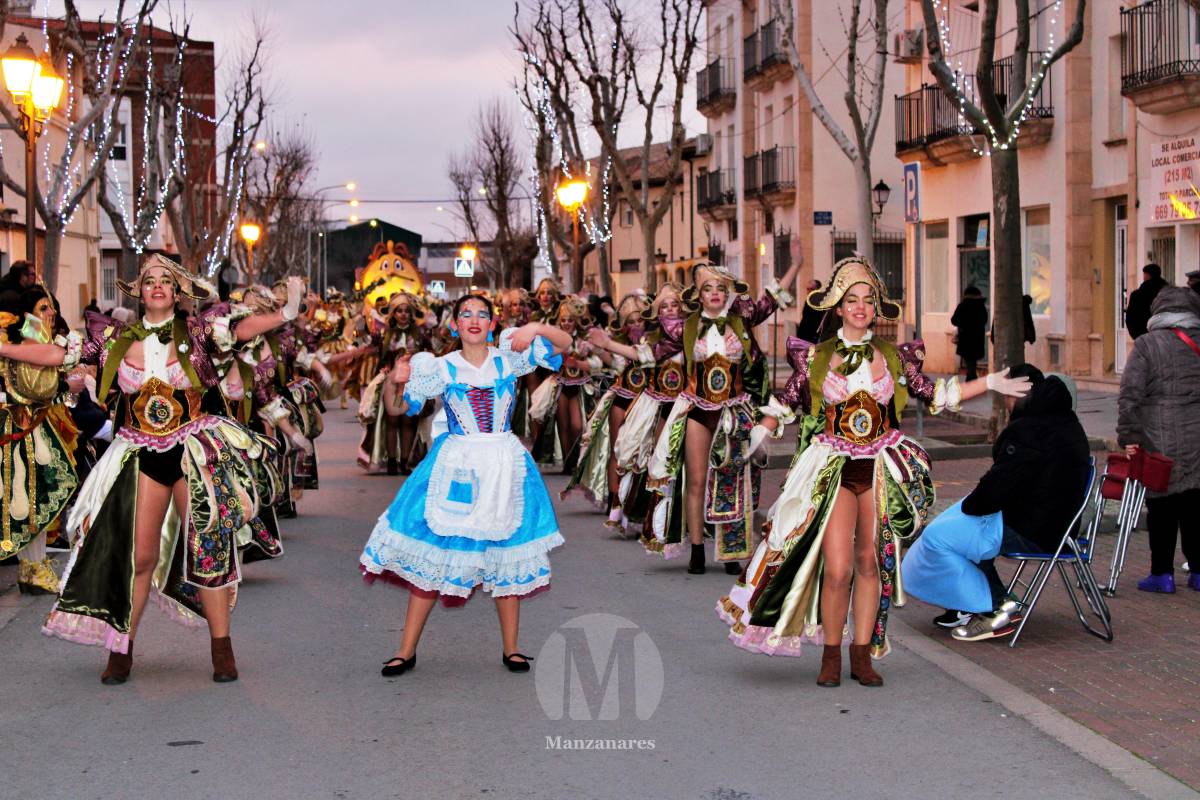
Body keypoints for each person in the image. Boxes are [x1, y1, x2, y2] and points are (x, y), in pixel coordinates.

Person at [716, 257, 1030, 686]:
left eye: (867, 300)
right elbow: (786, 401)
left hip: (880, 467)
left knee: (870, 564)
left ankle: (860, 655)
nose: (860, 307)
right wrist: (760, 433)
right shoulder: (816, 358)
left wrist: (989, 382)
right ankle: (830, 654)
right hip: (832, 468)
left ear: (877, 308)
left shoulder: (894, 357)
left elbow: (936, 393)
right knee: (839, 566)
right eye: (851, 300)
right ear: (839, 307)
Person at [6, 255, 302, 685]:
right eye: (150, 281)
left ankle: (222, 648)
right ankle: (121, 648)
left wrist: (285, 312)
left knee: (209, 551)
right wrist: (3, 347)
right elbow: (56, 354)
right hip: (141, 453)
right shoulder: (113, 337)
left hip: (191, 451)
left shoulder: (199, 332)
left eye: (166, 281)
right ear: (139, 291)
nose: (158, 286)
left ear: (178, 292)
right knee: (139, 557)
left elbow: (241, 330)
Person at [359, 294, 571, 677]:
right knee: (435, 553)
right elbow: (396, 410)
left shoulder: (511, 358)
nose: (475, 320)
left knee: (507, 553)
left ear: (492, 323)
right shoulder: (437, 367)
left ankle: (512, 648)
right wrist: (395, 380)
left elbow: (564, 344)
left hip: (504, 464)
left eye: (483, 314)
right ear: (454, 324)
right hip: (456, 465)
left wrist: (535, 327)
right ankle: (406, 650)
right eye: (466, 314)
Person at [901, 366, 1090, 640]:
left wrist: (972, 509)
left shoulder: (1030, 430)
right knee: (958, 527)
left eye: (1007, 396)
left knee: (939, 538)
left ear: (1019, 393)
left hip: (1034, 530)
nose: (1007, 403)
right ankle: (969, 602)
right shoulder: (1063, 422)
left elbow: (993, 491)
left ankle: (994, 607)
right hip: (1055, 525)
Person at [648, 258, 801, 575]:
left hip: (734, 411)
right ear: (699, 296)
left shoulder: (741, 322)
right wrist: (609, 344)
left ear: (728, 293)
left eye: (720, 287)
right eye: (708, 288)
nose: (715, 293)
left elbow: (770, 300)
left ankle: (732, 552)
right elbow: (656, 341)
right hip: (699, 410)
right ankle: (697, 550)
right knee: (697, 480)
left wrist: (795, 263)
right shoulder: (686, 327)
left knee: (733, 481)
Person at [1117, 286, 1200, 593]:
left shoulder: (1147, 345)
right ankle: (1198, 571)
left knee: (1163, 507)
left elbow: (1130, 395)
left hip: (1158, 437)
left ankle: (1162, 574)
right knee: (1195, 504)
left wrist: (1129, 435)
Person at [951, 286, 988, 381]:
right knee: (972, 360)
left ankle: (971, 378)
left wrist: (963, 323)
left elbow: (954, 320)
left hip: (965, 338)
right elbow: (984, 320)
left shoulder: (963, 305)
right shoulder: (981, 306)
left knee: (968, 360)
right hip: (977, 338)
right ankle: (971, 377)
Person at [1125, 263, 1168, 340]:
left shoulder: (1138, 295)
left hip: (1145, 336)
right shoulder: (1168, 292)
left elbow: (1130, 318)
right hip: (1166, 337)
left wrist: (1138, 337)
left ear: (1147, 275)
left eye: (1144, 274)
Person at [796, 278, 825, 343]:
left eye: (811, 289)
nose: (808, 291)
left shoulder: (820, 302)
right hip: (803, 335)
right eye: (807, 289)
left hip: (812, 337)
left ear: (817, 290)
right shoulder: (808, 301)